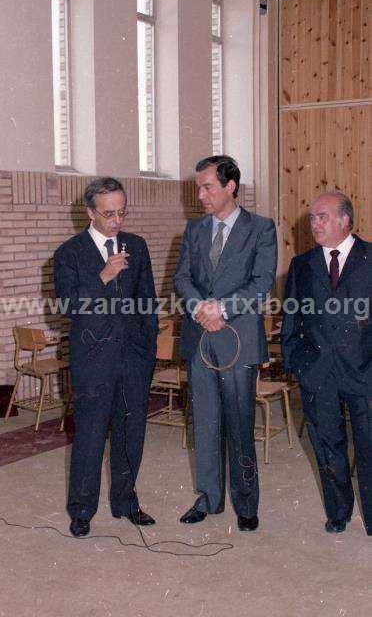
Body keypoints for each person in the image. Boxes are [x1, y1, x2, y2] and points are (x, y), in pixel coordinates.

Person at [174, 155, 277, 531]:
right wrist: (201, 306)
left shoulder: (261, 229)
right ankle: (208, 497)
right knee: (204, 423)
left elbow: (262, 281)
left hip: (238, 339)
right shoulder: (194, 230)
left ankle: (246, 504)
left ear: (230, 186)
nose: (200, 195)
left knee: (239, 424)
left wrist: (223, 308)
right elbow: (181, 278)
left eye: (207, 187)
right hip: (201, 337)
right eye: (198, 187)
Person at [54, 177, 158, 537]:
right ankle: (81, 510)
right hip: (93, 360)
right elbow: (67, 305)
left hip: (133, 359)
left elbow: (148, 304)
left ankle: (126, 501)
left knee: (132, 433)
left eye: (122, 212)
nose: (117, 221)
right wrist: (103, 275)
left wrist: (148, 355)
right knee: (90, 436)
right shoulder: (70, 252)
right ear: (90, 213)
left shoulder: (137, 246)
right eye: (109, 213)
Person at [281, 191, 372, 536]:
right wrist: (296, 363)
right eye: (312, 218)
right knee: (327, 445)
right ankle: (338, 512)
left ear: (345, 220)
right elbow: (291, 317)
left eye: (322, 217)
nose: (314, 224)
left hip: (365, 371)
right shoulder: (302, 264)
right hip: (318, 373)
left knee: (368, 445)